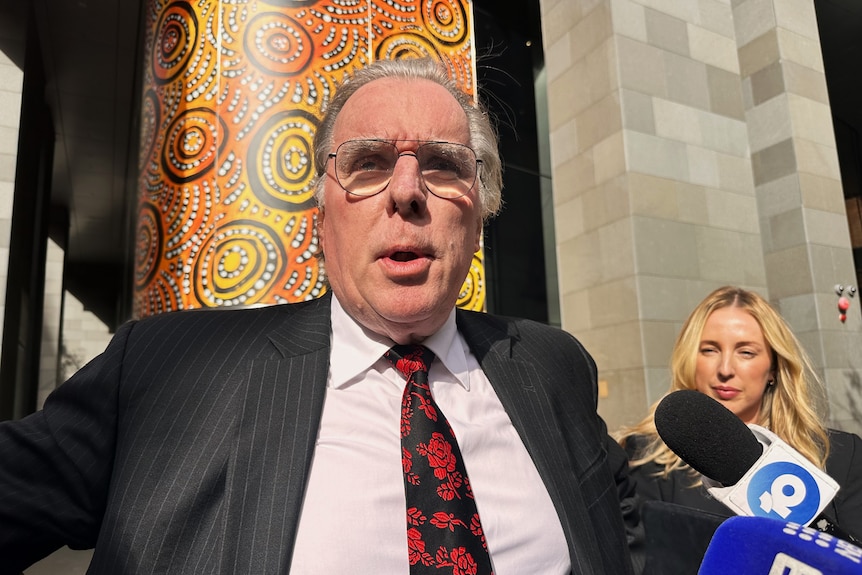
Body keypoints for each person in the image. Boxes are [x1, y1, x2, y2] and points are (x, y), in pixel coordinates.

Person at [0, 57, 636, 574]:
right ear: (322, 215)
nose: (408, 193)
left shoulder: (552, 364)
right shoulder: (159, 372)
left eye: (443, 164)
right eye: (368, 163)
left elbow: (624, 524)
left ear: (479, 215)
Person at [615, 285, 862, 538]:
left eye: (746, 352)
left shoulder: (843, 457)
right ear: (689, 359)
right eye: (709, 350)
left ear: (774, 369)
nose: (725, 369)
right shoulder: (645, 458)